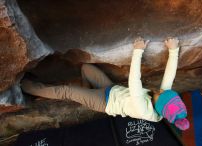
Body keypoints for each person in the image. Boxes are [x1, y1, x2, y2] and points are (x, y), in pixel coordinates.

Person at [21, 37, 189, 130]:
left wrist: (138, 50)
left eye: (161, 93)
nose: (159, 90)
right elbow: (169, 78)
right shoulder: (163, 100)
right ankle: (85, 92)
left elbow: (134, 82)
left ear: (159, 104)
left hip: (104, 102)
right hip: (111, 89)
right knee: (86, 68)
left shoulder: (144, 110)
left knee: (66, 91)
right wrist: (173, 50)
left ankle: (24, 86)